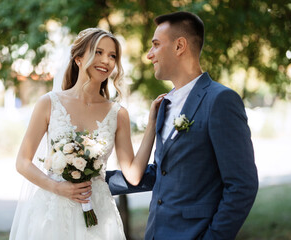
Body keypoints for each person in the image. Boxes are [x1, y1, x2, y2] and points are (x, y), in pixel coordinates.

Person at [106, 11, 259, 239]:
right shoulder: (163, 105)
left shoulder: (220, 101)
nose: (149, 55)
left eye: (156, 45)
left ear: (179, 46)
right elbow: (164, 172)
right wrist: (100, 181)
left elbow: (242, 186)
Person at [9, 28, 164, 240]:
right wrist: (58, 187)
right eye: (98, 52)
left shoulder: (118, 114)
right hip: (51, 213)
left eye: (112, 56)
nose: (106, 61)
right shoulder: (49, 103)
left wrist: (152, 124)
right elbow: (22, 163)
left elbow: (133, 174)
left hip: (99, 214)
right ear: (78, 58)